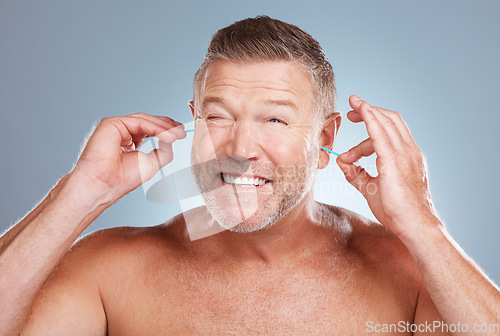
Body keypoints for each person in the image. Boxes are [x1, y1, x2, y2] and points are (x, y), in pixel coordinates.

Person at [1, 15, 499, 335]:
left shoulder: (407, 275)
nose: (238, 148)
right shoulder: (111, 271)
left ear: (325, 139)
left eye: (276, 119)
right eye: (218, 117)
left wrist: (424, 228)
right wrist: (78, 194)